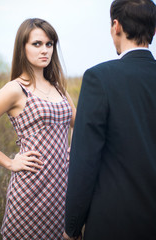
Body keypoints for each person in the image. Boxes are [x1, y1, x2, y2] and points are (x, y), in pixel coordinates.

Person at [0, 18, 76, 239]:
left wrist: (73, 149)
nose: (45, 50)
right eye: (37, 44)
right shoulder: (16, 89)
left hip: (62, 189)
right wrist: (10, 162)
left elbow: (80, 124)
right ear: (23, 47)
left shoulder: (58, 88)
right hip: (31, 190)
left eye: (49, 44)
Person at [63, 0, 156, 239]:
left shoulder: (99, 78)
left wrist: (72, 228)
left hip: (114, 224)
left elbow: (84, 161)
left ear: (116, 26)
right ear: (153, 30)